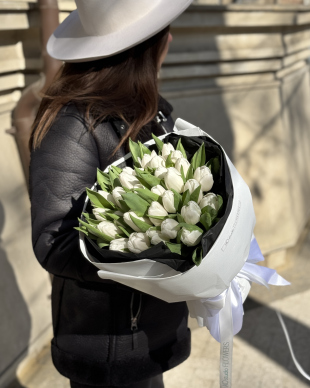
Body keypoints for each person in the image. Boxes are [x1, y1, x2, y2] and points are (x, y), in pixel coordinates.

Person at [29, 1, 193, 387]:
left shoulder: (154, 112)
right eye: (164, 30)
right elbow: (55, 240)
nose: (169, 37)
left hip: (149, 329)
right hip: (107, 341)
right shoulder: (74, 124)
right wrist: (150, 240)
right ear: (145, 48)